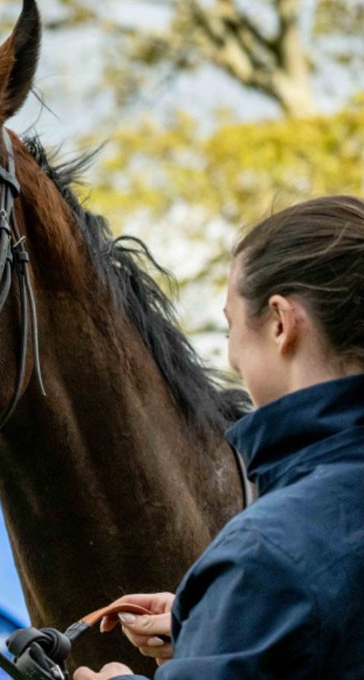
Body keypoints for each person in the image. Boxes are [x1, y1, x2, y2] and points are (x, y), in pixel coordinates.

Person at [75, 195, 364, 679]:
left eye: (231, 325)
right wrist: (211, 626)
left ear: (279, 323)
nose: (230, 354)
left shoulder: (267, 554)